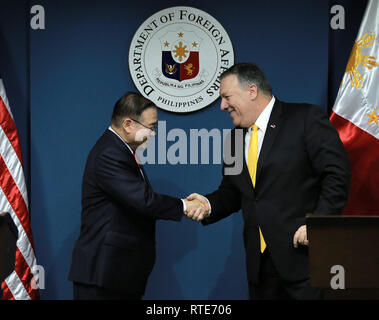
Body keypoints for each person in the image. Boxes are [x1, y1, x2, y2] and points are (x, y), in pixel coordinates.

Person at [185, 63, 351, 300]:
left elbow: (337, 174)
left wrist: (319, 223)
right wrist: (207, 205)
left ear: (251, 91)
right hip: (260, 268)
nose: (222, 106)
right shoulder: (233, 140)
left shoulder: (305, 118)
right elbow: (232, 192)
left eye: (226, 97)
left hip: (305, 261)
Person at [68, 92, 204, 300]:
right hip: (103, 275)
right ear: (129, 124)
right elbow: (144, 200)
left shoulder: (119, 150)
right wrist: (185, 205)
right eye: (151, 127)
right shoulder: (109, 154)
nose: (155, 134)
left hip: (116, 274)